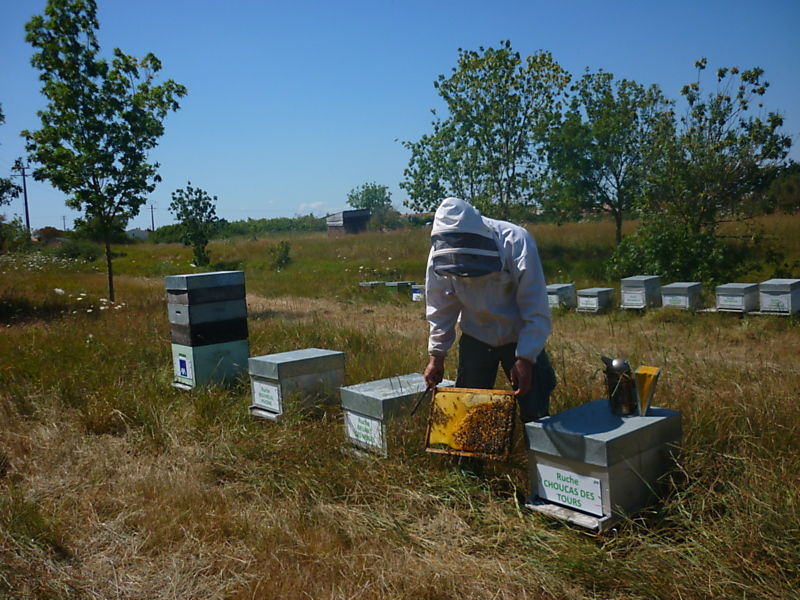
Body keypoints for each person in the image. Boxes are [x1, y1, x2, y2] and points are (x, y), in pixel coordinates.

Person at [423, 197, 557, 424]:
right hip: (477, 336)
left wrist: (525, 357)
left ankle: (538, 454)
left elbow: (535, 306)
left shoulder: (515, 241)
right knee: (470, 409)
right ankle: (470, 460)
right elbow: (441, 307)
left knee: (535, 408)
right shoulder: (440, 255)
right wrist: (437, 356)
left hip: (518, 334)